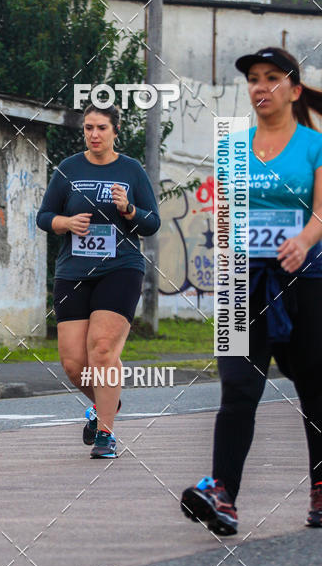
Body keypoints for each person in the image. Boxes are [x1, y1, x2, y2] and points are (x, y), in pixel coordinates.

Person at [181, 46, 322, 535]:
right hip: (245, 283)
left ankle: (321, 490)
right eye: (254, 80)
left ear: (294, 90)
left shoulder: (314, 145)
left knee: (316, 390)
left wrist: (304, 239)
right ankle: (223, 495)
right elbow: (225, 215)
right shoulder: (232, 147)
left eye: (272, 78)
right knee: (238, 389)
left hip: (307, 282)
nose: (261, 87)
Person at [36, 103, 161, 458]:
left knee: (102, 350)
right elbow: (44, 216)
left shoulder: (131, 170)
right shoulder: (69, 168)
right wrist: (66, 223)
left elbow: (152, 224)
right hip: (73, 271)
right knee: (74, 362)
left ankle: (106, 432)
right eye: (88, 127)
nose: (93, 134)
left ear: (115, 131)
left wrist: (129, 210)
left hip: (120, 269)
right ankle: (109, 405)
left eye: (101, 128)